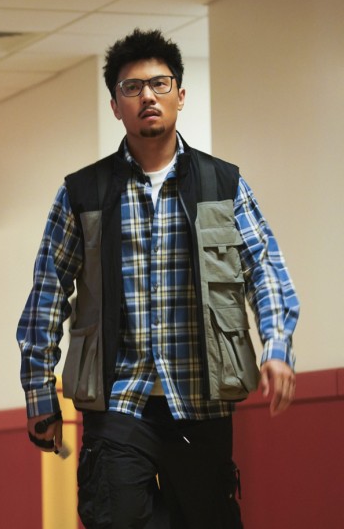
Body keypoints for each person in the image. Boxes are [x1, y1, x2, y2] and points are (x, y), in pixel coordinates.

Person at [17, 28, 299, 529]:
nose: (147, 95)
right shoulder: (83, 192)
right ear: (116, 106)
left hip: (201, 401)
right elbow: (47, 294)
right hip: (119, 403)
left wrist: (277, 346)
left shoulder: (222, 184)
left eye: (160, 84)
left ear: (180, 96)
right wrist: (40, 391)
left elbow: (265, 269)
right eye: (132, 87)